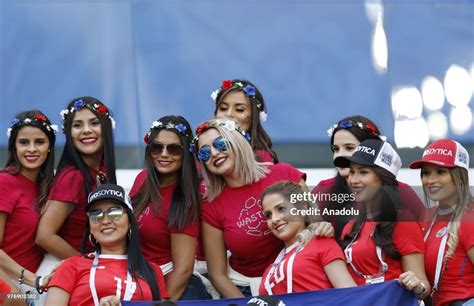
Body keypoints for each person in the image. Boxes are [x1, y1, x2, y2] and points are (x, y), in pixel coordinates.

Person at [196, 117, 321, 298]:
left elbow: (315, 224)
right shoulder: (211, 204)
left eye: (220, 144)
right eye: (204, 153)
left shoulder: (284, 173)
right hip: (247, 290)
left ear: (237, 140)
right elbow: (218, 275)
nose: (214, 153)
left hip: (302, 279)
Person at [334, 139, 430, 300]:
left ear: (383, 178)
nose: (353, 180)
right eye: (351, 172)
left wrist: (417, 285)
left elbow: (423, 286)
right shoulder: (350, 226)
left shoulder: (402, 221)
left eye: (363, 172)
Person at [46, 184, 169, 305]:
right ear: (90, 228)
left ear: (130, 221)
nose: (105, 221)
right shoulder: (70, 266)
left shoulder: (152, 271)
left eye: (114, 212)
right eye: (96, 214)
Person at [130, 115, 209, 300]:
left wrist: (162, 303)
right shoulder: (142, 179)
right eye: (157, 147)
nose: (164, 154)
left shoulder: (187, 196)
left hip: (172, 287)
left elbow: (183, 270)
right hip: (139, 280)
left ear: (187, 152)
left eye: (174, 149)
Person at [313, 115, 425, 240]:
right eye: (335, 149)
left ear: (373, 149)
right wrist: (318, 231)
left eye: (349, 148)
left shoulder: (400, 191)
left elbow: (425, 236)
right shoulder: (324, 189)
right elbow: (300, 240)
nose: (339, 155)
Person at [36, 97, 117, 263]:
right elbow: (44, 236)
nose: (86, 130)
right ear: (69, 133)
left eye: (94, 123)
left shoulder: (102, 170)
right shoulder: (72, 176)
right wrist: (88, 265)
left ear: (107, 128)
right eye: (77, 125)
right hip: (65, 266)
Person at [259, 181, 356, 295]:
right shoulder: (270, 268)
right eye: (268, 215)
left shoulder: (322, 242)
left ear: (303, 208)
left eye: (281, 209)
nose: (274, 219)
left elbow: (350, 295)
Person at [409, 139, 474, 305]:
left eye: (440, 172)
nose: (430, 180)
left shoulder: (469, 218)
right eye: (425, 173)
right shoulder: (426, 216)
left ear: (460, 177)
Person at [0, 110, 56, 295]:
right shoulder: (5, 182)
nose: (32, 149)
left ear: (49, 146)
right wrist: (33, 280)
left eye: (39, 142)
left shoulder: (49, 187)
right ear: (14, 147)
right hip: (10, 286)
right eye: (24, 142)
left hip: (33, 286)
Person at [211, 79, 277, 163]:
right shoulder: (202, 159)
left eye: (239, 109)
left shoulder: (267, 163)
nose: (229, 114)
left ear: (254, 117)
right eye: (223, 108)